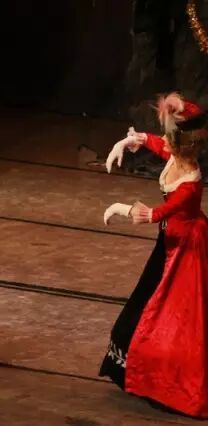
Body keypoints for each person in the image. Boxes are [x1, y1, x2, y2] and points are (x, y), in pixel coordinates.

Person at [101, 93, 208, 418]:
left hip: (185, 249)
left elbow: (157, 213)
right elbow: (157, 145)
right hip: (169, 242)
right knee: (146, 302)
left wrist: (119, 207)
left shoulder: (190, 183)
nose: (165, 142)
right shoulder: (176, 156)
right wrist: (129, 141)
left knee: (175, 317)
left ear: (181, 145)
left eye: (169, 138)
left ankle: (162, 379)